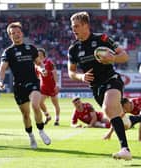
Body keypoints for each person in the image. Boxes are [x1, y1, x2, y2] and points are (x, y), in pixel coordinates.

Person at [67, 11, 131, 160]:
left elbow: (125, 56)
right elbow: (71, 72)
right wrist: (81, 76)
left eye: (76, 26)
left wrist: (113, 58)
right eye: (72, 27)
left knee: (108, 107)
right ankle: (123, 118)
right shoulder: (73, 49)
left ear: (85, 26)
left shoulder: (102, 38)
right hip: (95, 87)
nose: (73, 29)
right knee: (111, 113)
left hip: (111, 79)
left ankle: (125, 149)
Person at [0, 22, 51, 149]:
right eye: (13, 33)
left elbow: (38, 63)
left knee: (35, 105)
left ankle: (41, 131)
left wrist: (42, 69)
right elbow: (2, 68)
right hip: (19, 86)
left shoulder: (31, 48)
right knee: (26, 115)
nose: (16, 35)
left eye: (18, 32)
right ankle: (31, 137)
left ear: (22, 33)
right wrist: (0, 81)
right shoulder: (8, 52)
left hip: (33, 82)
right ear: (10, 36)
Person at [35, 48, 60, 126]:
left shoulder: (49, 62)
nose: (39, 56)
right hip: (44, 87)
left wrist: (57, 84)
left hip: (52, 86)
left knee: (55, 103)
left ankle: (57, 120)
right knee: (39, 102)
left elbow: (54, 73)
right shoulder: (36, 65)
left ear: (43, 55)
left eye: (40, 54)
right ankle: (47, 116)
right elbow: (37, 77)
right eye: (37, 55)